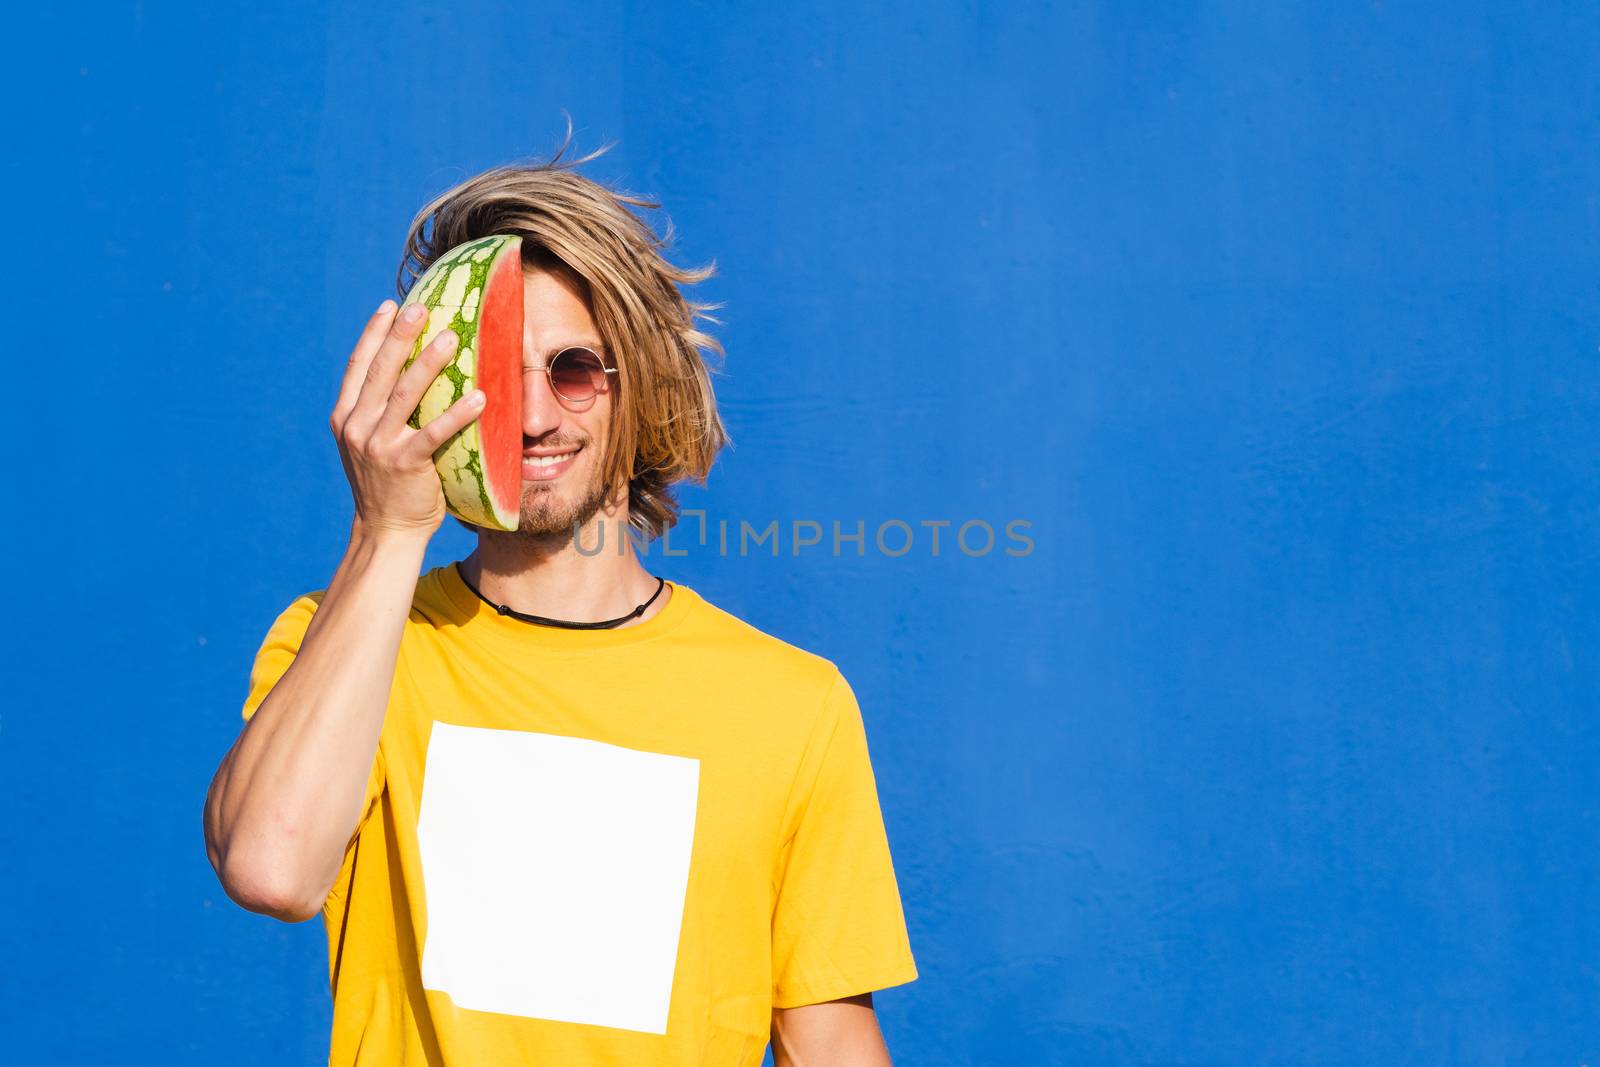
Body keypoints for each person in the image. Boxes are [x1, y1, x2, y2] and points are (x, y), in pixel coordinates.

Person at [201, 133, 918, 1067]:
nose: (534, 416)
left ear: (643, 386)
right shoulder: (350, 644)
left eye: (574, 370)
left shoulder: (793, 705)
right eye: (495, 378)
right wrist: (387, 532)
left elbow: (828, 1040)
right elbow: (271, 868)